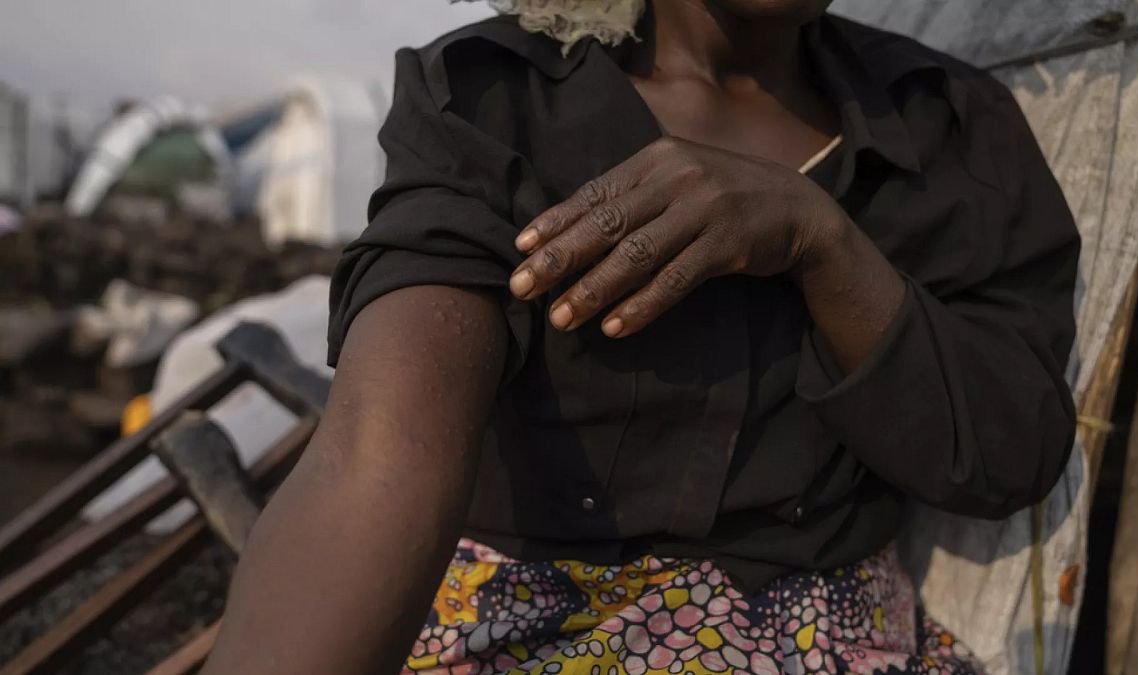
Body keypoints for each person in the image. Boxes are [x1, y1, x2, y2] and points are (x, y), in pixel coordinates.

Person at [202, 0, 1080, 673]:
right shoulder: (492, 101)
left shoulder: (952, 132)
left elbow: (1009, 453)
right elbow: (378, 455)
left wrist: (823, 243)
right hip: (520, 624)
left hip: (829, 642)